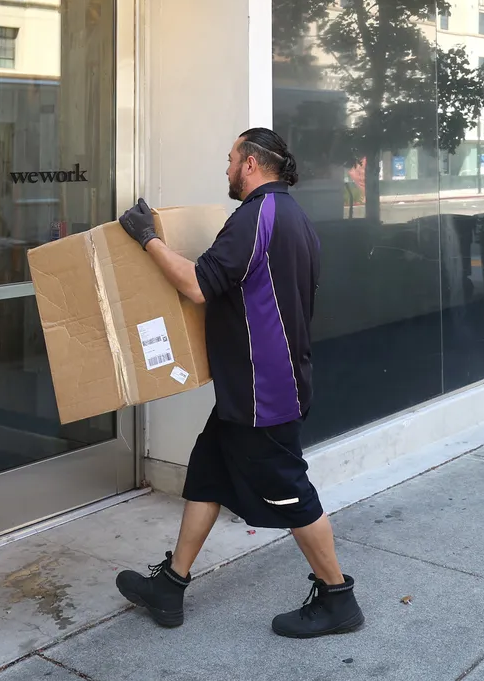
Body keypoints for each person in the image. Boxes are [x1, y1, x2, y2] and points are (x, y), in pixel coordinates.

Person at [114, 128, 364, 639]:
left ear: (250, 163)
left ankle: (339, 598)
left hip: (262, 391)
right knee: (207, 473)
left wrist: (147, 236)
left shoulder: (256, 217)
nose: (226, 168)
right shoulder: (293, 216)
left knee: (291, 492)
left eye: (230, 159)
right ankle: (171, 585)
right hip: (257, 384)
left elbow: (197, 285)